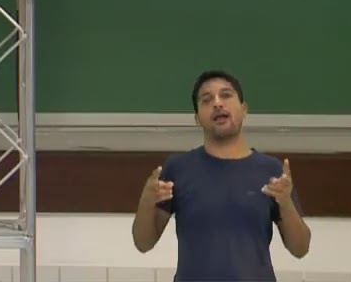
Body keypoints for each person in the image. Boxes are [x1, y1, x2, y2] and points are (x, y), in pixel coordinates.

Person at [131, 70, 311, 281]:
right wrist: (146, 201)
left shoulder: (271, 171)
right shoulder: (178, 168)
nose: (217, 103)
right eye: (206, 100)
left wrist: (286, 203)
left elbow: (300, 249)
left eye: (226, 95)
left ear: (244, 109)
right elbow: (143, 243)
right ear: (197, 118)